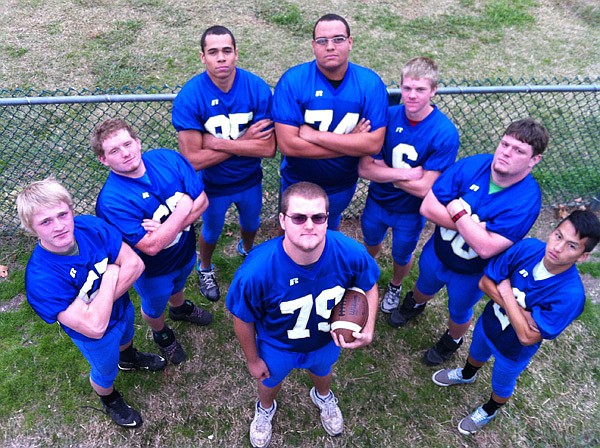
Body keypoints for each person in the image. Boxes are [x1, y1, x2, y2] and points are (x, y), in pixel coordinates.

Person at [226, 182, 380, 448]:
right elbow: (243, 318)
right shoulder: (256, 271)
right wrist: (252, 359)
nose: (309, 225)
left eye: (317, 217)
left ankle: (323, 396)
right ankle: (265, 408)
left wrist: (369, 326)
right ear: (283, 220)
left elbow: (369, 284)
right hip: (277, 343)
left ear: (326, 220)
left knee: (323, 371)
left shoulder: (349, 252)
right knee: (269, 381)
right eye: (299, 217)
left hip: (324, 340)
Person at [389, 118, 550, 366]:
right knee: (423, 285)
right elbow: (428, 207)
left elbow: (486, 248)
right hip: (439, 250)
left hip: (472, 271)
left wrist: (457, 210)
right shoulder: (474, 164)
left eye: (519, 150)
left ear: (534, 160)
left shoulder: (526, 199)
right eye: (505, 144)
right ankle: (416, 304)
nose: (507, 153)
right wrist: (476, 227)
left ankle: (453, 340)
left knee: (459, 311)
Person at [431, 210, 600, 434]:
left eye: (571, 246)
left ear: (582, 256)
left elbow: (527, 336)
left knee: (502, 384)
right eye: (558, 236)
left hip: (514, 350)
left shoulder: (571, 295)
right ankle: (467, 374)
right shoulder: (528, 248)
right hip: (489, 324)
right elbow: (484, 283)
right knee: (476, 352)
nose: (557, 248)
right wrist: (524, 315)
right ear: (552, 232)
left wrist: (506, 293)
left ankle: (490, 409)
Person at [17, 178, 166, 428]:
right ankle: (108, 398)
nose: (59, 226)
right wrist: (110, 276)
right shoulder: (41, 278)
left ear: (71, 210)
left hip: (122, 309)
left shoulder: (91, 228)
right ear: (32, 228)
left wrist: (97, 308)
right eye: (45, 221)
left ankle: (128, 358)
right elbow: (94, 328)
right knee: (105, 371)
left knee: (127, 334)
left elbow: (136, 265)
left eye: (62, 214)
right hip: (94, 338)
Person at [93, 118, 210, 366]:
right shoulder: (112, 200)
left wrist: (170, 227)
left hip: (185, 251)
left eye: (127, 144)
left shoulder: (168, 158)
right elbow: (152, 246)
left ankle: (179, 308)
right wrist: (182, 211)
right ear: (104, 159)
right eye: (114, 150)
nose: (125, 153)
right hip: (153, 271)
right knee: (154, 306)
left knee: (179, 285)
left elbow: (203, 201)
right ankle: (161, 332)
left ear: (138, 142)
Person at [172, 25, 276, 302]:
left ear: (236, 54)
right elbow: (192, 160)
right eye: (213, 52)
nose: (221, 58)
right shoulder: (191, 95)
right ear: (202, 56)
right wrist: (244, 141)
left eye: (226, 51)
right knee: (211, 230)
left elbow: (267, 147)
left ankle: (247, 250)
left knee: (251, 223)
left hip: (250, 179)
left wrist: (219, 143)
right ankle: (205, 266)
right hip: (212, 184)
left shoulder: (255, 87)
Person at [358, 56, 460, 314]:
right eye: (407, 88)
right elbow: (364, 168)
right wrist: (407, 175)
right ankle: (365, 277)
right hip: (377, 202)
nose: (412, 95)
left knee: (402, 254)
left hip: (410, 211)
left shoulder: (444, 132)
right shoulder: (388, 116)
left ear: (434, 90)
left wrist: (386, 174)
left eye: (420, 89)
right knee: (371, 241)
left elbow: (426, 188)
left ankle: (395, 284)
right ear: (401, 87)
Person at [272, 13, 388, 230]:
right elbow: (288, 145)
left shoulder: (370, 83)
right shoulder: (293, 81)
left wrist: (316, 136)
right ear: (313, 46)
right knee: (288, 231)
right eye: (322, 41)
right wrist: (351, 143)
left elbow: (373, 144)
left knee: (329, 229)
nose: (330, 46)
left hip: (342, 183)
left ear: (350, 42)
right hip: (298, 180)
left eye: (338, 39)